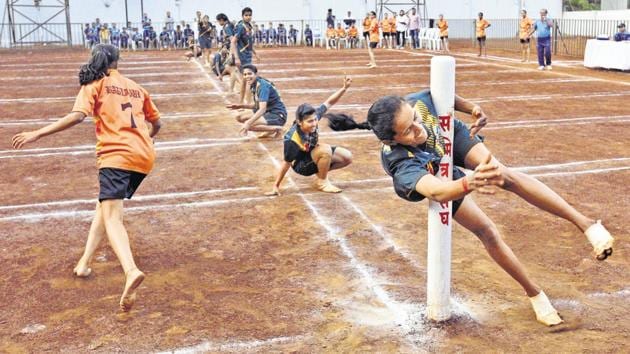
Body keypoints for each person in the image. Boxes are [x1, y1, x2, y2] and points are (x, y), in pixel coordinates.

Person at [326, 89, 615, 325]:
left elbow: (441, 94)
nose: (418, 128)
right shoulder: (399, 161)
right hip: (436, 173)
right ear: (393, 139)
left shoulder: (416, 105)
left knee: (505, 175)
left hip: (450, 135)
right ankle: (535, 293)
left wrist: (473, 108)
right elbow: (437, 191)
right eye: (408, 130)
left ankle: (587, 224)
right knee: (487, 232)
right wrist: (470, 182)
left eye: (415, 119)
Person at [11, 44, 162, 312]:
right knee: (104, 208)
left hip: (116, 157)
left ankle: (130, 270)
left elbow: (77, 116)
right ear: (118, 60)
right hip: (144, 156)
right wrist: (142, 143)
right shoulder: (137, 87)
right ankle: (84, 263)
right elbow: (157, 124)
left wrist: (36, 134)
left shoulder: (96, 84)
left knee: (113, 216)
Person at [267, 76, 354, 195]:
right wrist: (276, 185)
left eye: (315, 120)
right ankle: (322, 182)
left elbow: (329, 102)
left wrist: (344, 88)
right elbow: (286, 163)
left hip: (311, 154)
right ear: (299, 122)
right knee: (325, 150)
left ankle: (320, 172)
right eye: (310, 122)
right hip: (301, 165)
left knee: (347, 157)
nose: (314, 123)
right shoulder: (292, 138)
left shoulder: (314, 117)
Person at [226, 64, 287, 138]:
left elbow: (262, 109)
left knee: (248, 125)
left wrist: (248, 123)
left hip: (277, 115)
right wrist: (240, 105)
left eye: (249, 74)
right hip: (268, 111)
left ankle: (279, 129)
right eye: (245, 74)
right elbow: (258, 105)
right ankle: (271, 129)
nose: (247, 76)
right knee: (239, 117)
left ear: (256, 74)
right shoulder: (255, 83)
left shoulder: (262, 87)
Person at [232, 7, 259, 104]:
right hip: (242, 57)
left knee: (244, 82)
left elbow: (249, 43)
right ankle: (248, 103)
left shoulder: (249, 26)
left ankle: (241, 103)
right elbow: (233, 42)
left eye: (250, 15)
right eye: (246, 15)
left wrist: (255, 54)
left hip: (248, 56)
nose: (248, 17)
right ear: (242, 16)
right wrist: (236, 57)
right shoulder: (241, 26)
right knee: (249, 81)